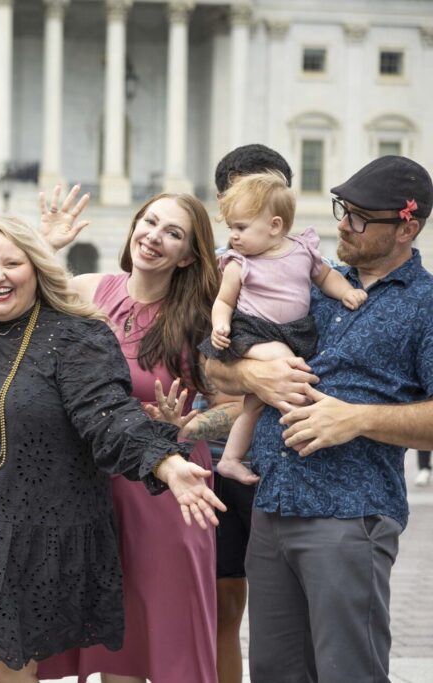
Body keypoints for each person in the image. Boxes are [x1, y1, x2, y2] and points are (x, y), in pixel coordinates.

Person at [0, 215, 224, 682]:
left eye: (12, 263)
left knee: (4, 668)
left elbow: (107, 412)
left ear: (36, 267)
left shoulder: (76, 336)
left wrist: (166, 463)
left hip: (31, 531)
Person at [205, 155, 433, 682]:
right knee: (275, 674)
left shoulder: (425, 304)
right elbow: (210, 360)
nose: (341, 224)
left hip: (349, 515)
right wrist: (251, 376)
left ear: (407, 227)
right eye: (342, 210)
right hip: (272, 506)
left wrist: (355, 419)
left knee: (347, 673)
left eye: (359, 217)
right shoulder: (302, 279)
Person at [39, 191, 237, 683]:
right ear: (134, 225)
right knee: (117, 638)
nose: (155, 237)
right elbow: (16, 307)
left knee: (173, 634)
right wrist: (48, 244)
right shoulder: (89, 290)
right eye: (150, 222)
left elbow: (240, 404)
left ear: (188, 255)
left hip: (173, 492)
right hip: (99, 487)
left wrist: (187, 426)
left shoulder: (197, 319)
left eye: (173, 233)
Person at [203, 171, 367, 485]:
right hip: (251, 332)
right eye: (231, 228)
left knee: (254, 404)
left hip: (293, 332)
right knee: (289, 369)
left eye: (241, 228)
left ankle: (230, 458)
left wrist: (346, 291)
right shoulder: (239, 262)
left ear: (275, 226)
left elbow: (325, 277)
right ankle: (303, 429)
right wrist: (220, 325)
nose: (233, 237)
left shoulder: (302, 251)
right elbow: (224, 302)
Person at [207, 143, 293, 683]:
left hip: (283, 468)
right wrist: (248, 379)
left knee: (282, 612)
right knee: (219, 608)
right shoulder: (220, 276)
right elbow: (205, 371)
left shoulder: (311, 271)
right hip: (216, 465)